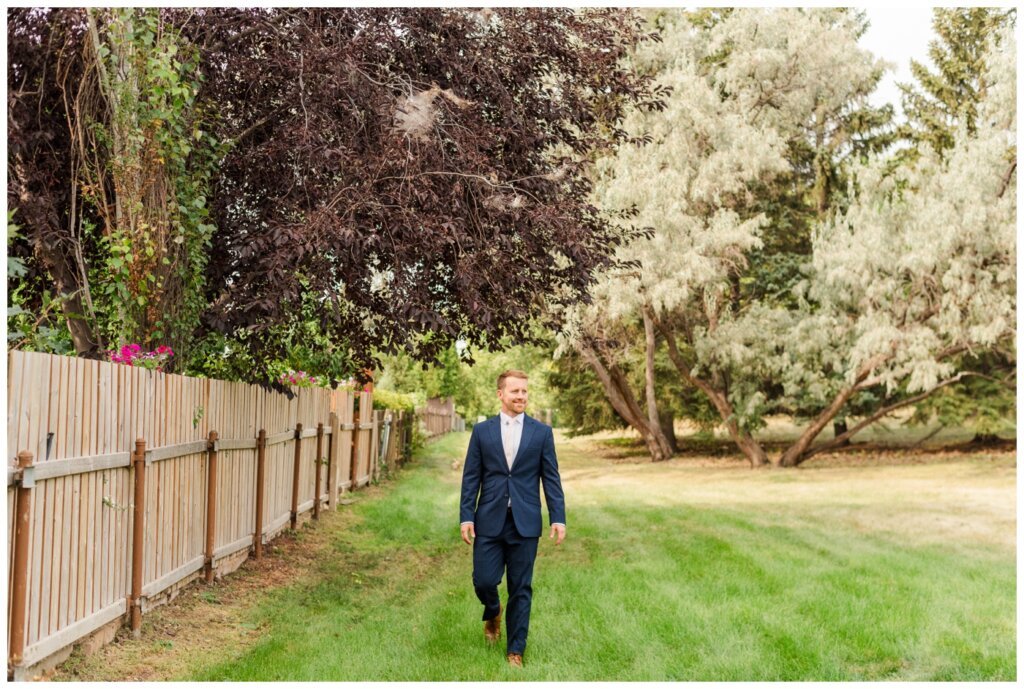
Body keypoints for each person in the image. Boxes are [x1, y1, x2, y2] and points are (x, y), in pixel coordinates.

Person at [459, 369, 566, 668]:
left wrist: (558, 517)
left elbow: (551, 478)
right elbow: (471, 477)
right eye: (515, 391)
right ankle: (492, 610)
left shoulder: (541, 433)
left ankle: (515, 651)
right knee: (483, 580)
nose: (521, 396)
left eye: (524, 392)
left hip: (526, 521)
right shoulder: (482, 432)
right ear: (501, 394)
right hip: (489, 519)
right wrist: (466, 515)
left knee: (521, 587)